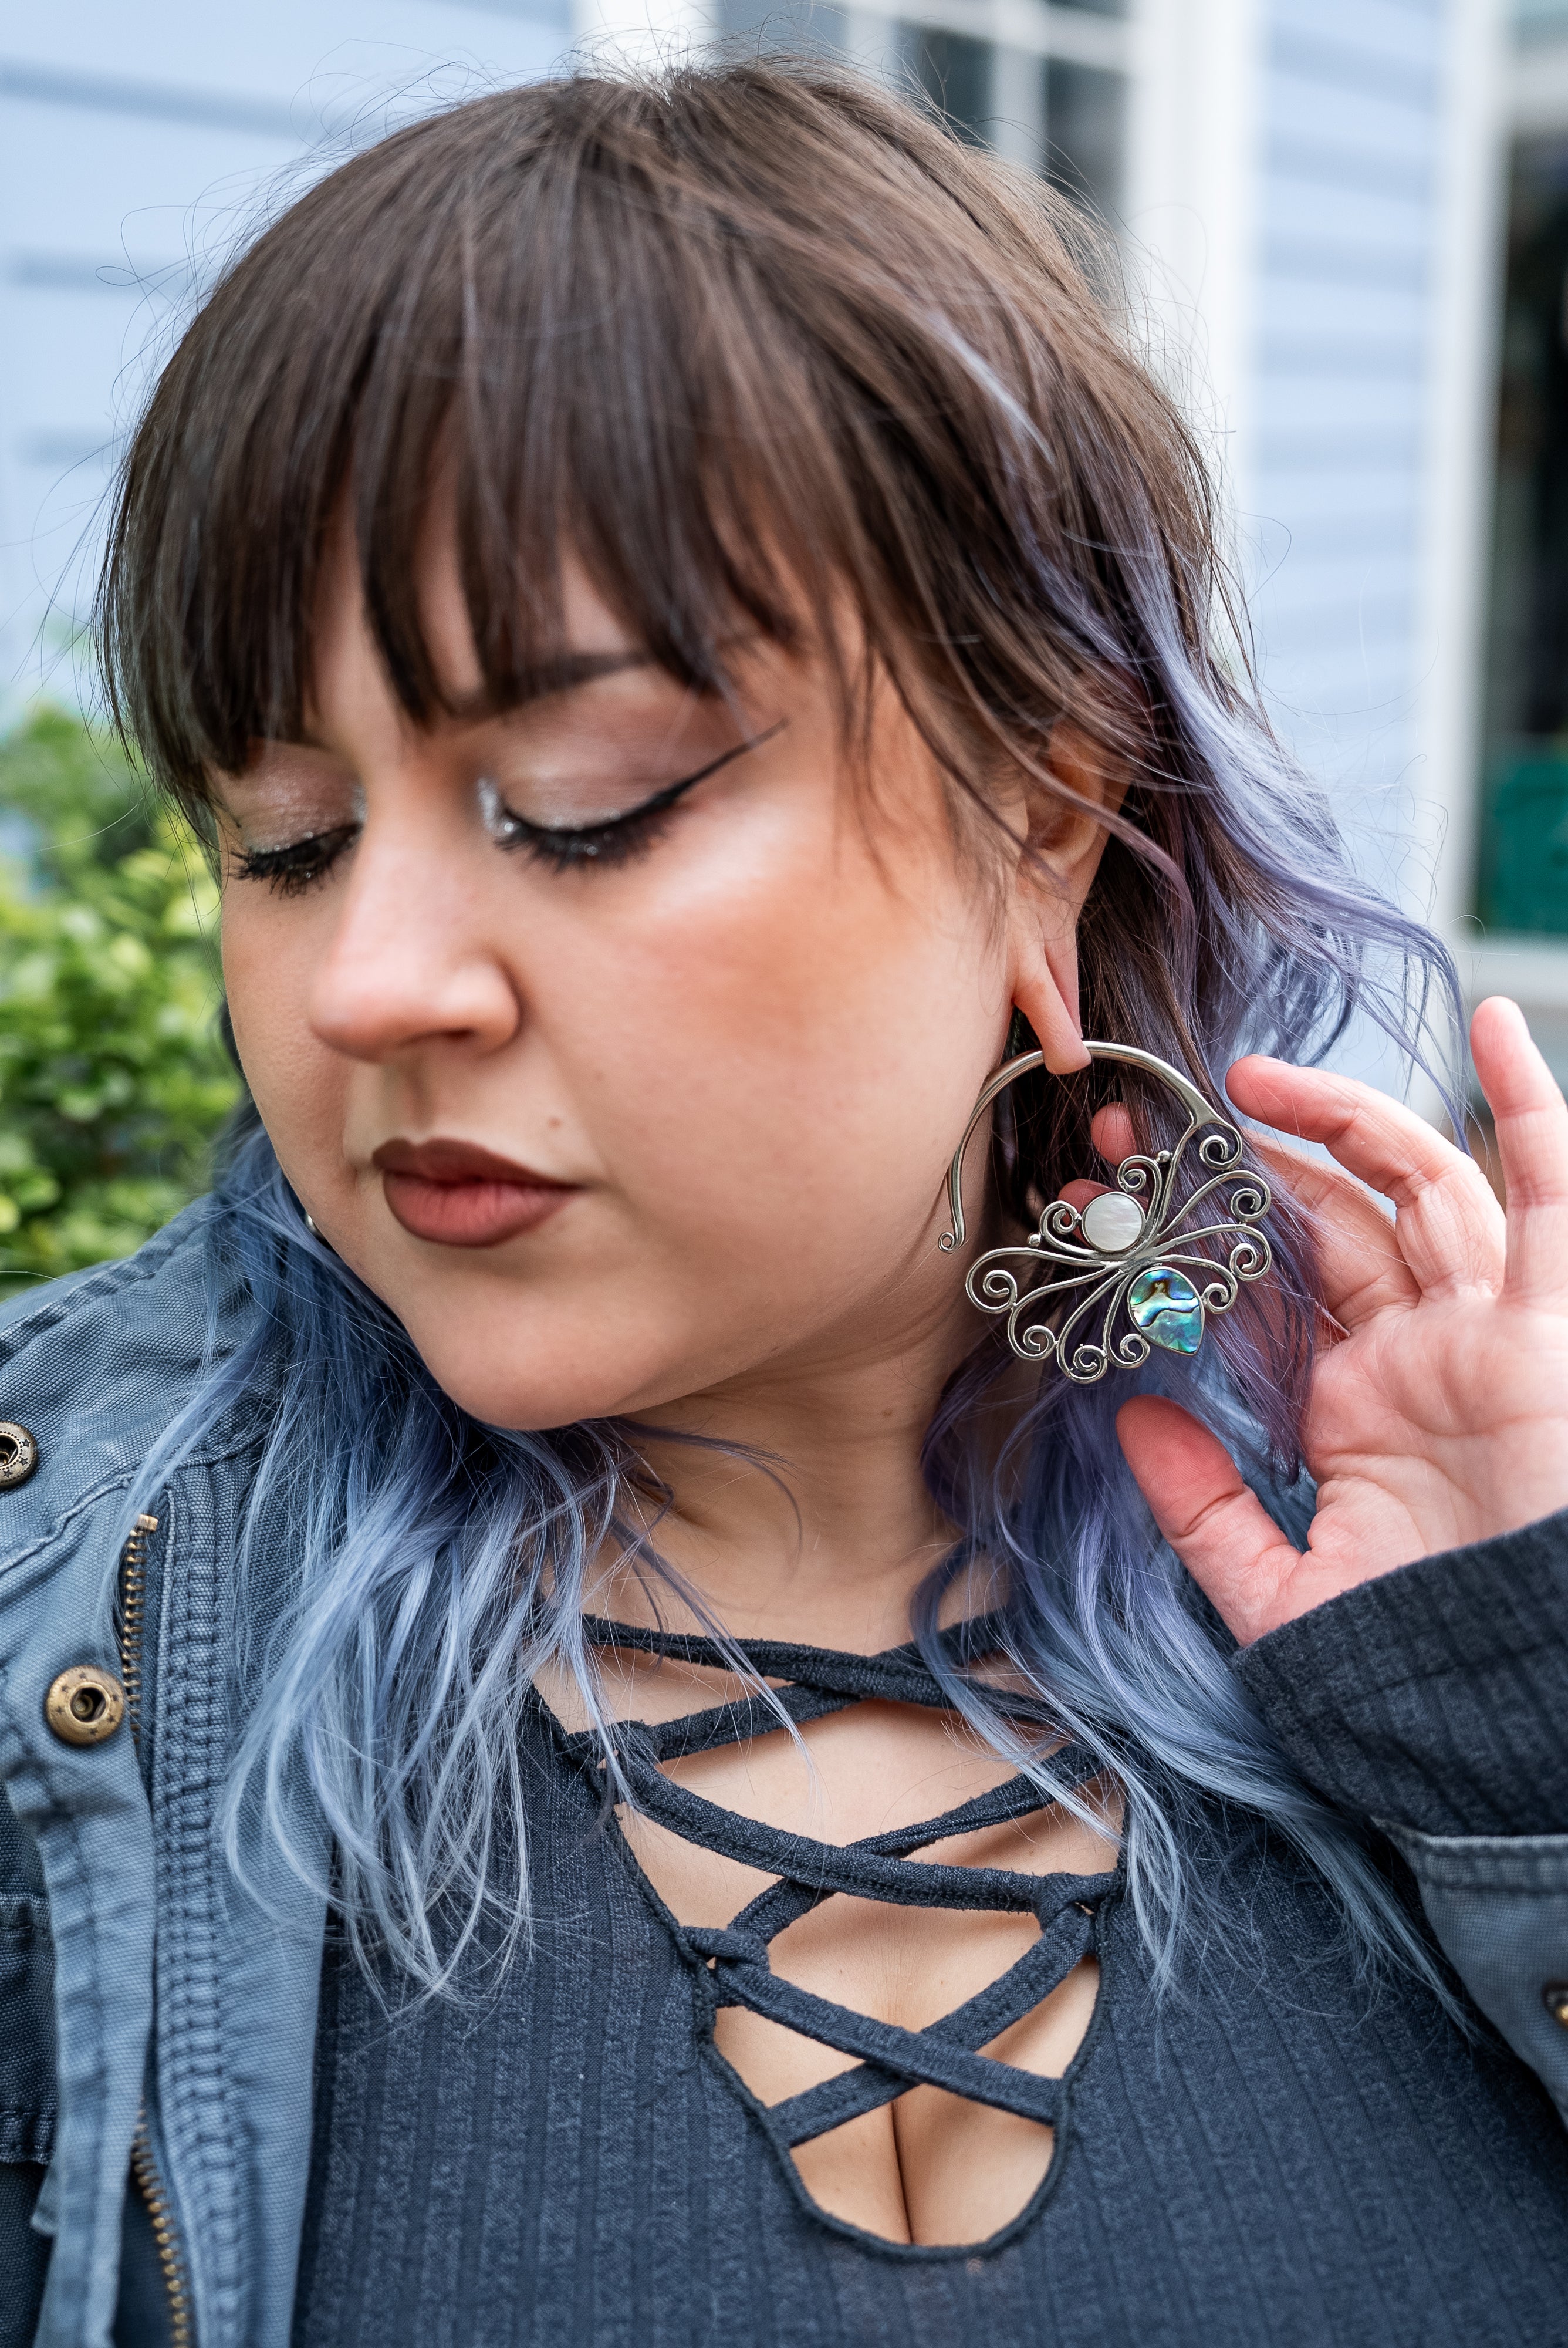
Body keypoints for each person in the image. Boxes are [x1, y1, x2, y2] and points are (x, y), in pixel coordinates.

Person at [2, 60, 1565, 2348]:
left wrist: (1508, 1726)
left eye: (577, 801)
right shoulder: (66, 1643)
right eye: (282, 835)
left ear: (1042, 818)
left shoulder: (1418, 1570)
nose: (365, 983)